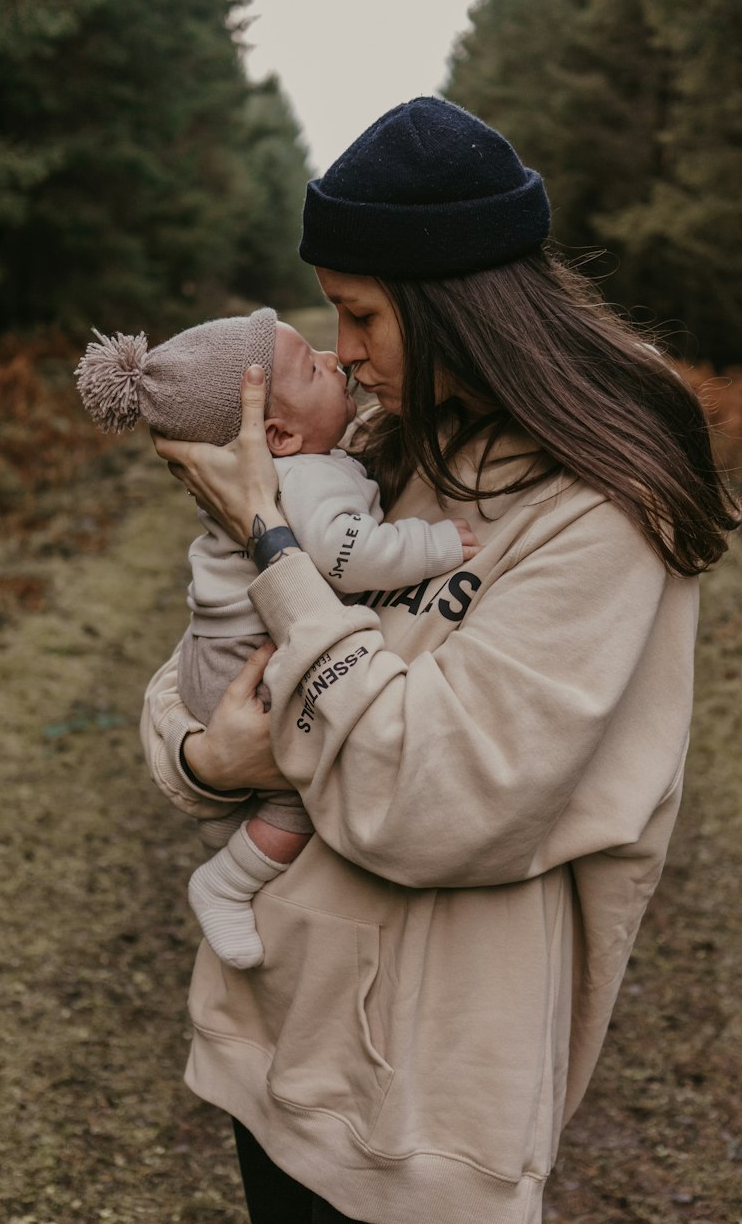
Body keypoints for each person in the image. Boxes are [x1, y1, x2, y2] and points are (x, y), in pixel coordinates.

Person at [139, 97, 741, 1224]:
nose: (342, 347)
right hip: (280, 1026)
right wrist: (214, 760)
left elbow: (443, 793)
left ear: (453, 301)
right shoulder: (377, 452)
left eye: (361, 313)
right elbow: (196, 689)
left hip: (427, 1086)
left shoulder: (599, 511)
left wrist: (273, 550)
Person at [76, 310, 478, 971]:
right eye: (313, 366)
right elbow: (347, 554)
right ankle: (226, 884)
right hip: (245, 660)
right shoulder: (308, 476)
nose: (333, 354)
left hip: (212, 657)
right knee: (293, 794)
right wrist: (432, 543)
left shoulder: (305, 465)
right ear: (278, 434)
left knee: (261, 791)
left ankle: (229, 845)